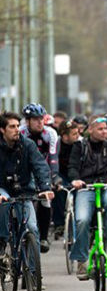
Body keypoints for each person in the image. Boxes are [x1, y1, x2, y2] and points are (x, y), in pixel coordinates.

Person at [68, 116, 107, 280]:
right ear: (90, 130)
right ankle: (81, 261)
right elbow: (72, 167)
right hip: (86, 188)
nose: (105, 132)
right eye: (100, 129)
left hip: (106, 186)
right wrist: (75, 180)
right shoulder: (79, 146)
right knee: (82, 220)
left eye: (106, 128)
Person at [0, 112, 54, 257]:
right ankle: (2, 243)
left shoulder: (27, 145)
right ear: (2, 130)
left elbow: (40, 166)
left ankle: (33, 272)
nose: (17, 129)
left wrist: (45, 188)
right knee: (3, 205)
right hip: (2, 189)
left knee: (31, 227)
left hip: (23, 189)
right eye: (12, 126)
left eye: (18, 125)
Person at [20, 103, 60, 253]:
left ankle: (43, 237)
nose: (40, 122)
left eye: (41, 118)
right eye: (35, 119)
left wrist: (53, 178)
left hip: (43, 169)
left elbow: (53, 158)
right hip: (26, 169)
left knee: (45, 200)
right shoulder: (20, 132)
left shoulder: (50, 133)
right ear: (27, 121)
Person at [52, 120, 80, 239]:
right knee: (58, 191)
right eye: (74, 134)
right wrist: (55, 179)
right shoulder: (56, 144)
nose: (77, 136)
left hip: (77, 174)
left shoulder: (80, 144)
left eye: (78, 133)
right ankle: (59, 224)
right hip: (61, 174)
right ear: (64, 136)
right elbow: (52, 163)